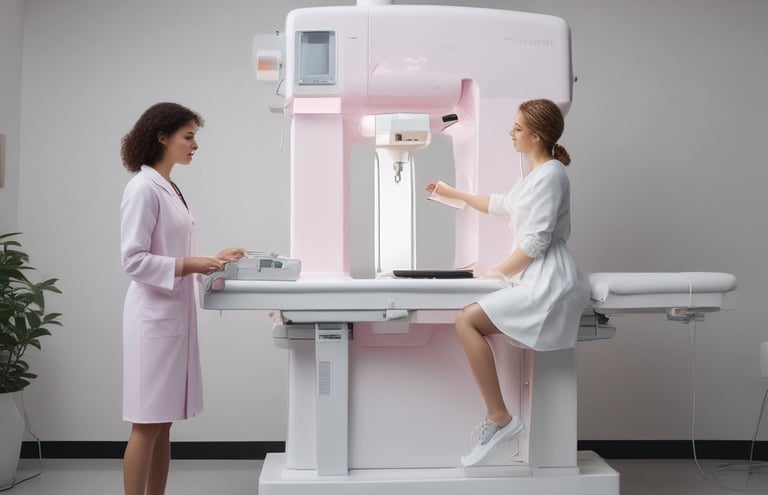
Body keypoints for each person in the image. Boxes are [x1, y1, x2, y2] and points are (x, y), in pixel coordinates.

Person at [425, 98, 591, 468]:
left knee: (466, 320)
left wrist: (496, 273)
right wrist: (451, 192)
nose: (510, 133)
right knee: (468, 319)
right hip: (535, 274)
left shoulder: (551, 175)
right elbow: (499, 204)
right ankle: (499, 418)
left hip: (550, 281)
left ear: (535, 135)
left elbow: (536, 242)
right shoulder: (535, 175)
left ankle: (500, 418)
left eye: (517, 128)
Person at [119, 102, 245, 495]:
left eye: (195, 137)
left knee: (164, 420)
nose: (195, 145)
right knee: (147, 421)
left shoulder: (169, 186)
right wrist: (192, 264)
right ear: (162, 137)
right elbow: (133, 260)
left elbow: (170, 249)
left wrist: (211, 260)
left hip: (172, 315)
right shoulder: (142, 188)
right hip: (152, 319)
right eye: (188, 137)